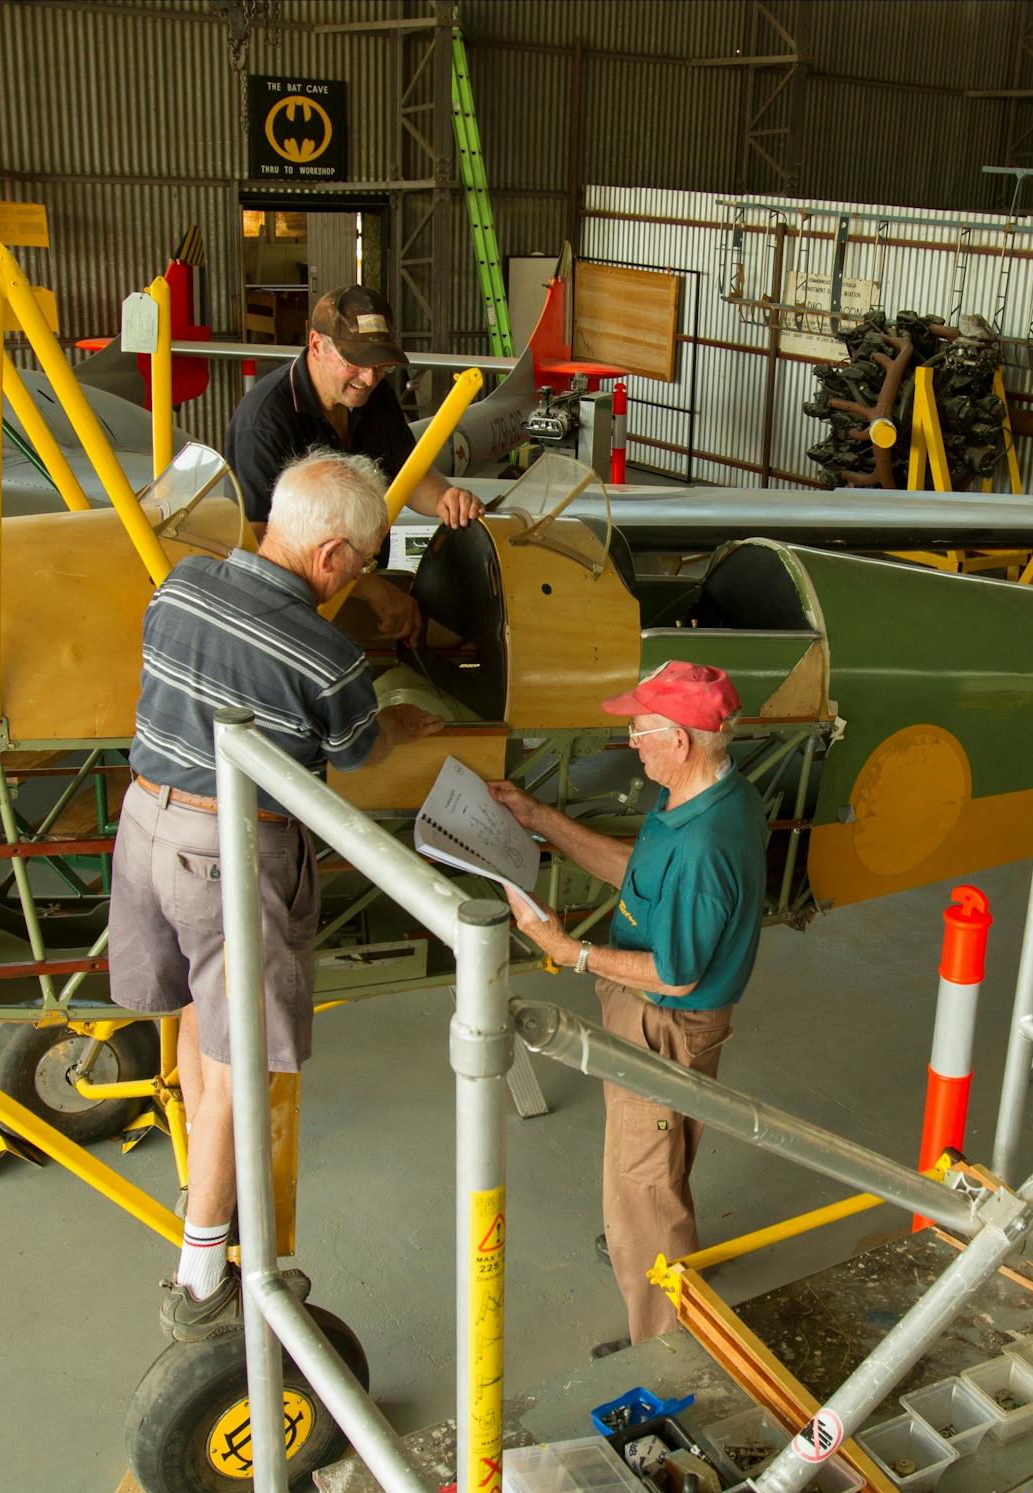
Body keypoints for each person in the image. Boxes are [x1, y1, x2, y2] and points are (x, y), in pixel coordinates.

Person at [110, 447, 444, 1341]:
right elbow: (358, 751)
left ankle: (200, 1187)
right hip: (226, 852)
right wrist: (400, 721)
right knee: (241, 1064)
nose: (359, 579)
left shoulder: (178, 584)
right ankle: (200, 1278)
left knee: (191, 1017)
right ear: (331, 556)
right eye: (364, 562)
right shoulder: (328, 652)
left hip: (142, 823)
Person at [488, 662, 765, 1353]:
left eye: (639, 732)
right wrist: (541, 819)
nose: (631, 744)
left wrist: (569, 951)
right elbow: (634, 868)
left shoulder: (704, 846)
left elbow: (675, 975)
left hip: (665, 1019)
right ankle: (644, 1252)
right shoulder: (701, 797)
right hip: (654, 1012)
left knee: (642, 1188)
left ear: (680, 740)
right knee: (655, 1164)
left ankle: (667, 1346)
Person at [223, 284, 486, 644]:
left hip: (362, 582)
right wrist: (374, 590)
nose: (369, 379)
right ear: (316, 345)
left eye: (380, 367)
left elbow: (407, 471)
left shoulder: (374, 397)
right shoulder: (265, 421)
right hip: (296, 605)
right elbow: (258, 540)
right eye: (356, 364)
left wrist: (446, 498)